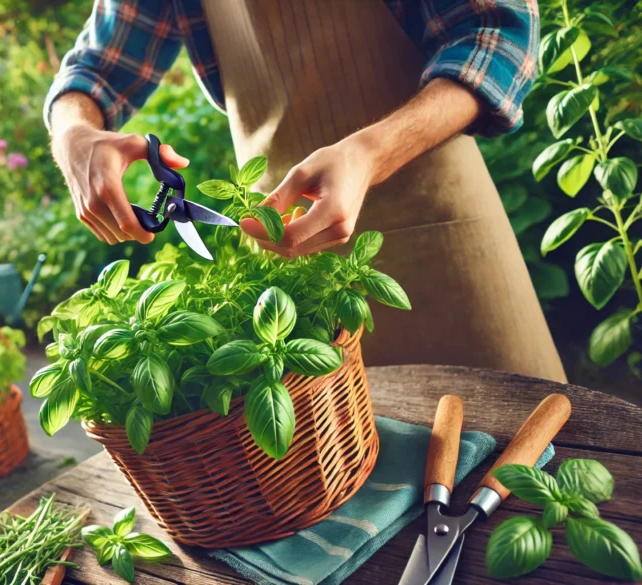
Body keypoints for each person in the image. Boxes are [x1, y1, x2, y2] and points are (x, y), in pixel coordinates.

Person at [44, 0, 567, 383]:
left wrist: (369, 153)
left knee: (517, 458)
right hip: (288, 265)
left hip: (442, 235)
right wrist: (74, 134)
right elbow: (94, 69)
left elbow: (500, 34)